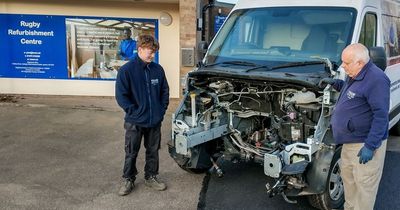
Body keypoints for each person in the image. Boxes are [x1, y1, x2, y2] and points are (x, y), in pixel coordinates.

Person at [319, 43, 390, 210]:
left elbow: (381, 117)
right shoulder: (356, 73)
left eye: (347, 62)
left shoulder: (377, 79)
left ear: (360, 62)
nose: (343, 66)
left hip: (364, 144)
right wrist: (336, 83)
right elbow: (353, 92)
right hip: (349, 143)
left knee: (364, 187)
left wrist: (370, 146)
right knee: (349, 182)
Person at [115, 34, 169, 196]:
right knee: (131, 151)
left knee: (153, 150)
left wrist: (161, 110)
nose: (152, 55)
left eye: (154, 52)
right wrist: (134, 111)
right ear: (140, 49)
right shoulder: (126, 70)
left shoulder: (157, 70)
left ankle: (151, 176)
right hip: (135, 121)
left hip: (154, 120)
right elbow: (121, 96)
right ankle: (128, 179)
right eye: (150, 51)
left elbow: (164, 92)